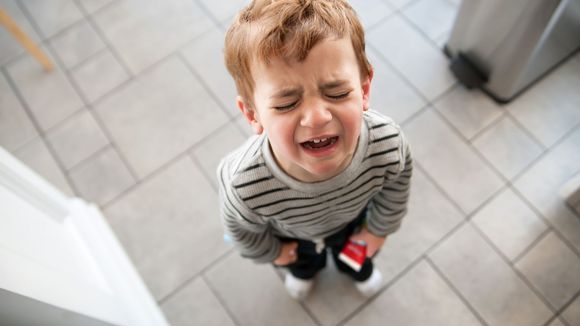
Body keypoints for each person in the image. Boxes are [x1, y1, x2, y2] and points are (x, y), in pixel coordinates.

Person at [217, 0, 412, 300]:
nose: (317, 116)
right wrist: (274, 252)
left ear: (364, 89)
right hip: (293, 238)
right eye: (286, 104)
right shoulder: (244, 184)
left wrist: (378, 229)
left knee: (357, 255)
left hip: (352, 222)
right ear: (253, 114)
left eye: (337, 92)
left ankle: (354, 269)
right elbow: (242, 230)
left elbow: (397, 185)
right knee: (303, 261)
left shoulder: (386, 142)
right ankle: (303, 271)